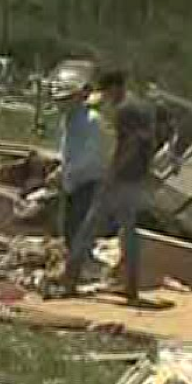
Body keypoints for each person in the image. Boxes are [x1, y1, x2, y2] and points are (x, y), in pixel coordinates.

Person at [61, 69, 156, 304]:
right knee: (128, 232)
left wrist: (112, 173)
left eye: (106, 91)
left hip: (119, 178)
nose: (105, 97)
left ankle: (69, 282)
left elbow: (128, 146)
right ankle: (131, 286)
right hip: (136, 177)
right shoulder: (142, 108)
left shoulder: (125, 110)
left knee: (88, 227)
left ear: (114, 88)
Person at [55, 77, 104, 248]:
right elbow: (66, 148)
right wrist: (60, 169)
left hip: (87, 179)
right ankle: (71, 259)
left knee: (81, 223)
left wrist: (69, 171)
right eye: (58, 101)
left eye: (64, 100)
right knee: (68, 225)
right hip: (71, 179)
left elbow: (90, 155)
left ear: (76, 98)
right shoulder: (68, 120)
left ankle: (82, 261)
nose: (60, 105)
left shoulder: (92, 120)